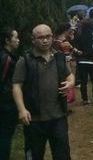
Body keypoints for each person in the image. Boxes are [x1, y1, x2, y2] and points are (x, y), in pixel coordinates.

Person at [12, 24, 75, 160]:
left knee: (62, 154)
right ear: (33, 40)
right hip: (34, 119)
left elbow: (70, 75)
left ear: (52, 37)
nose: (45, 40)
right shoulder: (25, 60)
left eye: (48, 36)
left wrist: (70, 83)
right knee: (34, 155)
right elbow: (16, 86)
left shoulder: (59, 57)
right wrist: (22, 110)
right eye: (40, 38)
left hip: (58, 116)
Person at [0, 28, 20, 160]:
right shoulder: (6, 59)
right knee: (5, 136)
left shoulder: (6, 56)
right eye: (15, 37)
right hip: (6, 104)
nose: (18, 40)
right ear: (7, 40)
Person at [72, 14, 93, 105]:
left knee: (83, 82)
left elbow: (74, 46)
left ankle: (85, 100)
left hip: (82, 61)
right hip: (92, 61)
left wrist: (78, 52)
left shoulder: (79, 35)